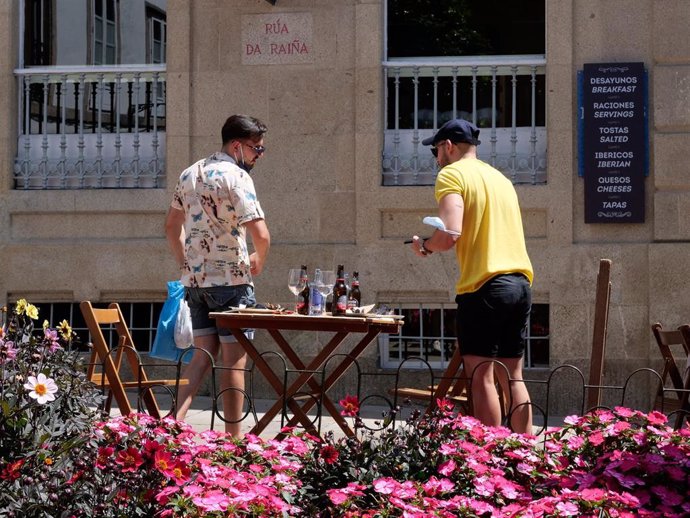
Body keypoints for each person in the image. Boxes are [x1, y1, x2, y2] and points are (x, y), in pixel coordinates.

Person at [409, 118, 534, 434]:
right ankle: (527, 452)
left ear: (448, 146)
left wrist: (425, 245)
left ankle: (488, 457)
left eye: (436, 151)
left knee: (481, 374)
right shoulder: (501, 179)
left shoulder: (451, 174)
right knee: (513, 376)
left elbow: (450, 232)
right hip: (520, 282)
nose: (437, 160)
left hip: (484, 286)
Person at [165, 114, 271, 437]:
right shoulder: (236, 177)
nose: (258, 156)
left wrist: (187, 264)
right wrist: (259, 259)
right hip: (231, 283)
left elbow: (171, 227)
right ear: (237, 146)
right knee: (233, 363)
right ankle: (234, 441)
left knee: (201, 357)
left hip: (196, 284)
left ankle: (171, 427)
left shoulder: (189, 173)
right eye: (256, 149)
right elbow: (262, 234)